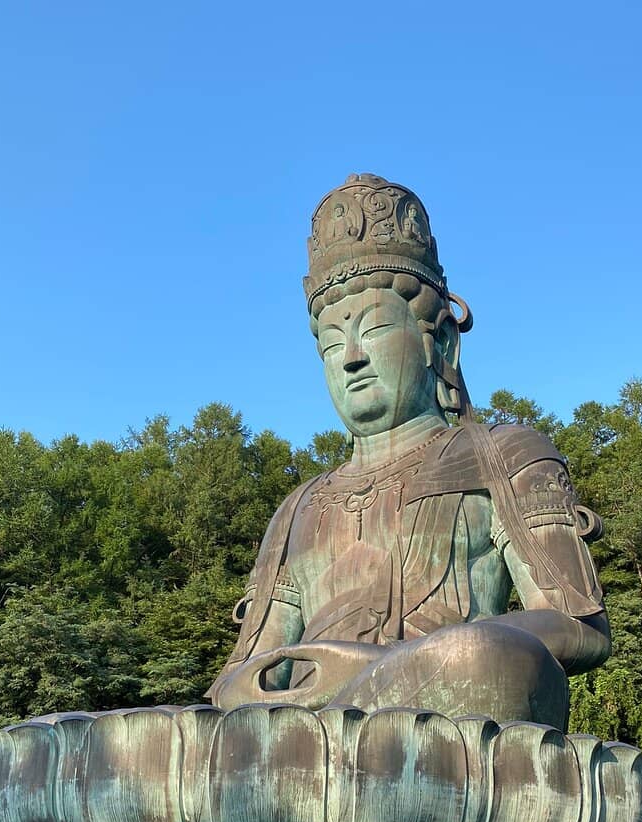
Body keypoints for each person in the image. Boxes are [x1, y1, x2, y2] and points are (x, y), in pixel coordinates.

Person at [207, 174, 610, 729]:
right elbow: (243, 675)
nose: (349, 358)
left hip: (451, 717)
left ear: (438, 342)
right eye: (330, 342)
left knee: (483, 658)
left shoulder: (505, 456)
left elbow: (579, 626)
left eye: (371, 331)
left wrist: (404, 664)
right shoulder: (299, 509)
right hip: (307, 730)